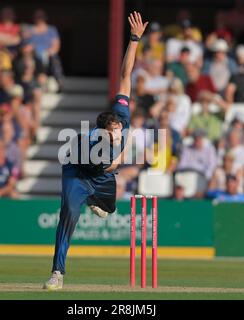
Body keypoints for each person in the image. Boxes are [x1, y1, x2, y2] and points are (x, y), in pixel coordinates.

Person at [43, 12, 148, 291]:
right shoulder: (93, 145)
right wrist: (121, 158)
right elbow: (110, 166)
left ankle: (96, 201)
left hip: (102, 177)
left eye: (117, 127)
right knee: (69, 215)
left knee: (109, 208)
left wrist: (135, 39)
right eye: (112, 130)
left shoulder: (121, 117)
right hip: (78, 172)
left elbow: (125, 76)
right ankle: (57, 272)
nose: (117, 131)